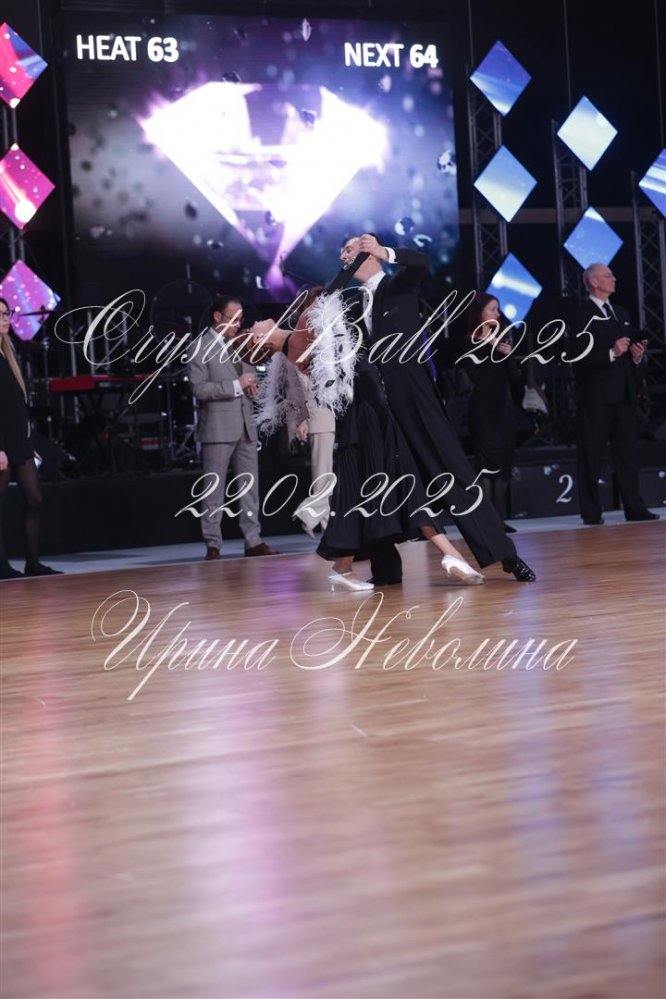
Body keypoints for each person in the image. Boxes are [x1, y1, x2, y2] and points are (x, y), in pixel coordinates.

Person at [252, 280, 487, 591]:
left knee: (372, 489)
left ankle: (349, 565)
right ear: (262, 339)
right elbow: (345, 361)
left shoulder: (295, 346)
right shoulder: (305, 326)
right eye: (253, 329)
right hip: (370, 411)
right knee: (389, 484)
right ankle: (446, 554)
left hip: (365, 412)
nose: (257, 322)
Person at [337, 234, 536, 583]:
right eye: (343, 252)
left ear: (369, 254)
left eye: (349, 250)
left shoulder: (398, 286)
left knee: (453, 473)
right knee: (382, 480)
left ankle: (504, 555)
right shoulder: (351, 303)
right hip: (377, 406)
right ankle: (386, 570)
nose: (343, 257)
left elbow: (421, 262)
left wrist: (385, 251)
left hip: (415, 397)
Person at [186, 296, 279, 560]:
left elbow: (249, 378)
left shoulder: (241, 344)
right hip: (218, 427)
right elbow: (199, 388)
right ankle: (213, 543)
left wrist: (251, 387)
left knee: (250, 488)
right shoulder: (199, 346)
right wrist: (237, 385)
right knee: (213, 488)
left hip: (245, 425)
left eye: (240, 319)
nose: (238, 324)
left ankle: (253, 540)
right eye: (233, 319)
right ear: (218, 317)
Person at [572, 263, 658, 525]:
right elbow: (577, 357)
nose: (614, 278)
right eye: (608, 275)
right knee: (592, 454)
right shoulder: (581, 315)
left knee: (627, 454)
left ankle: (634, 507)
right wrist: (611, 353)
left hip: (624, 395)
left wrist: (635, 357)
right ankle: (591, 511)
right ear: (594, 282)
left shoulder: (622, 312)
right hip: (596, 397)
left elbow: (628, 353)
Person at [0, 298, 62, 579]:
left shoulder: (8, 352)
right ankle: (1, 565)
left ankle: (33, 562)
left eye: (7, 313)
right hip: (2, 442)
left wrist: (28, 441)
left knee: (35, 498)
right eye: (0, 314)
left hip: (20, 440)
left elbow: (17, 405)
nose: (5, 318)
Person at [460, 292, 521, 531]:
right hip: (484, 410)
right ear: (480, 313)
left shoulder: (503, 338)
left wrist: (507, 355)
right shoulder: (470, 342)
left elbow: (515, 378)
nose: (497, 314)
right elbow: (477, 376)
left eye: (497, 309)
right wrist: (492, 347)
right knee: (487, 463)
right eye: (492, 309)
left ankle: (499, 518)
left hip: (504, 408)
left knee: (505, 463)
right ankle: (488, 520)